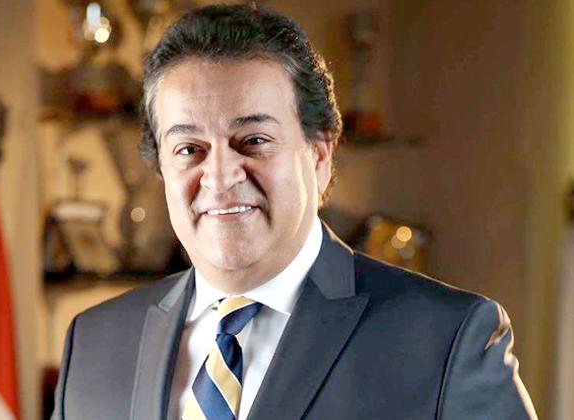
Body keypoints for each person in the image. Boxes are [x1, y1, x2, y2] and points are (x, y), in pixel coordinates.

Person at [51, 4, 537, 419]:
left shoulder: (447, 341)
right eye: (189, 149)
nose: (220, 176)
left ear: (320, 155)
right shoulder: (95, 344)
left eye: (253, 141)